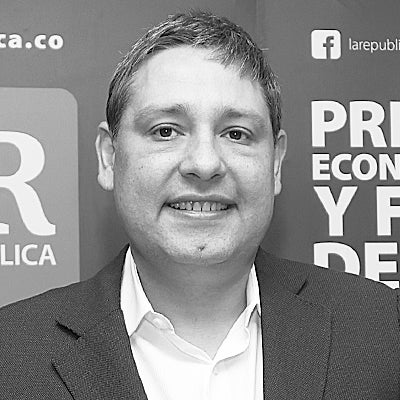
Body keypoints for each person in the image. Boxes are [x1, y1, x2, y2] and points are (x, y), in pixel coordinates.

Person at [0, 10, 399, 400]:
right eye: (166, 131)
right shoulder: (12, 356)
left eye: (236, 133)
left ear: (275, 163)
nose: (205, 164)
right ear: (109, 157)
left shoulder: (382, 330)